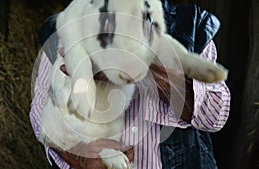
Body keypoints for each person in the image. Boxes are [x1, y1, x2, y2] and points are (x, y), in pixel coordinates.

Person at [30, 0, 231, 168]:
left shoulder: (192, 25)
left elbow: (215, 116)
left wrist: (144, 64)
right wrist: (79, 157)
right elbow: (40, 116)